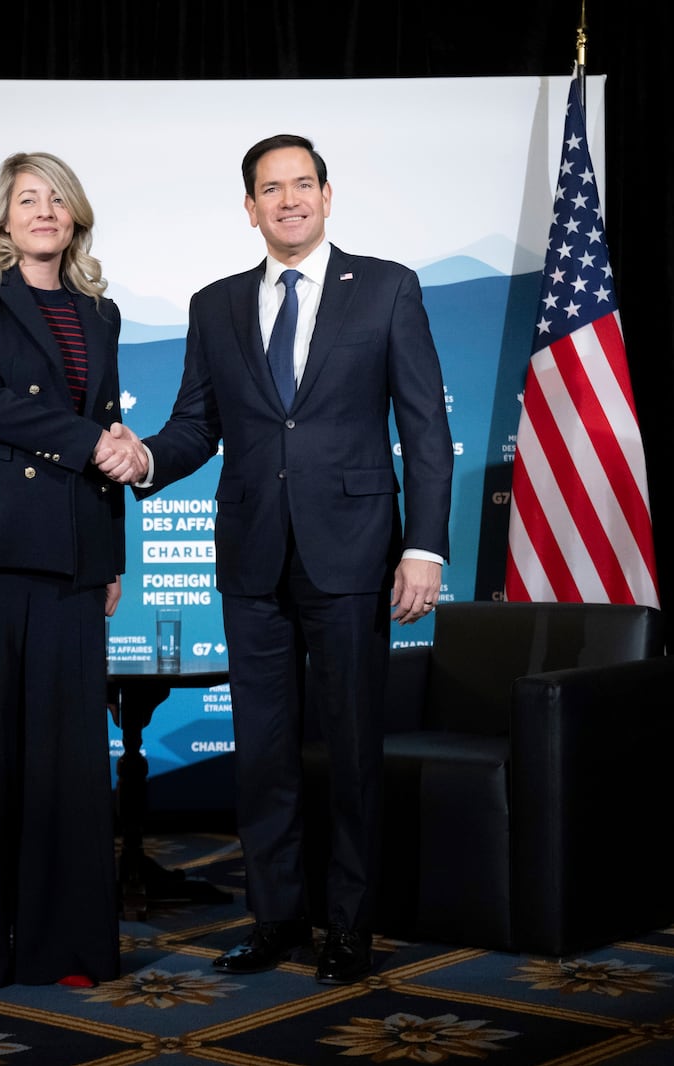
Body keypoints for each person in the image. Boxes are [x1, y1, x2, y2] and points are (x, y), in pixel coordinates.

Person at [98, 133, 453, 985]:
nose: (288, 199)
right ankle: (275, 917)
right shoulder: (214, 304)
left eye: (303, 184)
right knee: (263, 750)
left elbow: (425, 430)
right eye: (271, 187)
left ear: (328, 196)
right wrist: (145, 457)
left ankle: (350, 925)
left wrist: (426, 546)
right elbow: (196, 424)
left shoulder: (389, 289)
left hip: (357, 550)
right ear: (249, 207)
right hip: (253, 557)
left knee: (352, 747)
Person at [0, 151, 145, 993]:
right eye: (26, 198)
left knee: (70, 755)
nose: (43, 211)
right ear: (4, 218)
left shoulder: (101, 311)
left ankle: (67, 948)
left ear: (76, 216)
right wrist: (94, 444)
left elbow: (108, 419)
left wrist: (112, 553)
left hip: (76, 549)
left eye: (56, 199)